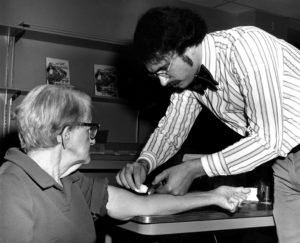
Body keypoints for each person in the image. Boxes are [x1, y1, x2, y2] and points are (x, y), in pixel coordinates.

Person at [116, 6, 300, 243]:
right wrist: (145, 162)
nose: (162, 82)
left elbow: (269, 138)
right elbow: (172, 130)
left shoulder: (247, 47)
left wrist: (194, 168)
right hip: (285, 165)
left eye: (164, 69)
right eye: (155, 75)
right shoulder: (189, 80)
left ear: (187, 47)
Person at [0, 84, 249, 243]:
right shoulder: (11, 188)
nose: (93, 136)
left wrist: (214, 196)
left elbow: (145, 205)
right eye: (90, 128)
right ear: (66, 134)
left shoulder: (70, 180)